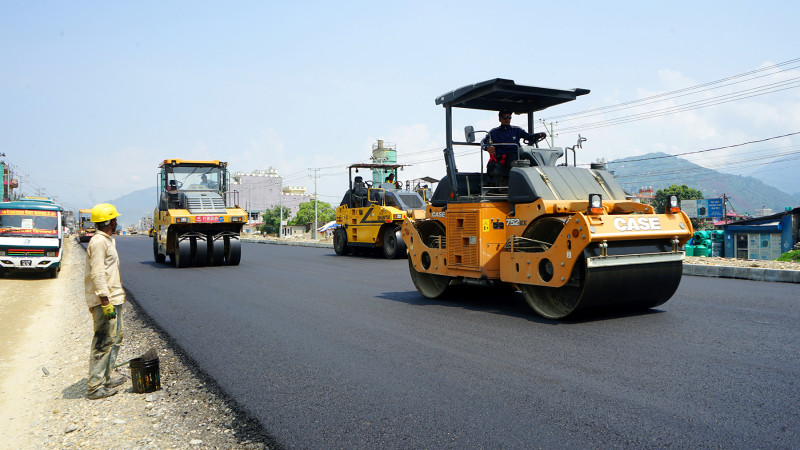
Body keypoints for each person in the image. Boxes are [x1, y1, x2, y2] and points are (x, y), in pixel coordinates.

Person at [84, 203, 126, 400]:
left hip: (114, 297)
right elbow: (98, 273)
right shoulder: (98, 242)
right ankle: (95, 386)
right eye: (115, 219)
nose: (117, 222)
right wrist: (104, 299)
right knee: (103, 341)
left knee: (116, 338)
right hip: (105, 300)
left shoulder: (108, 240)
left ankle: (107, 377)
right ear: (110, 221)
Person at [481, 110, 546, 175]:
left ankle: (540, 173)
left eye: (509, 117)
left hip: (516, 155)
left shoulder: (517, 130)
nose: (507, 119)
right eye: (505, 117)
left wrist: (537, 136)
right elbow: (483, 142)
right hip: (502, 156)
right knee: (512, 159)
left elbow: (529, 137)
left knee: (527, 156)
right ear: (500, 119)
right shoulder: (494, 132)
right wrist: (487, 148)